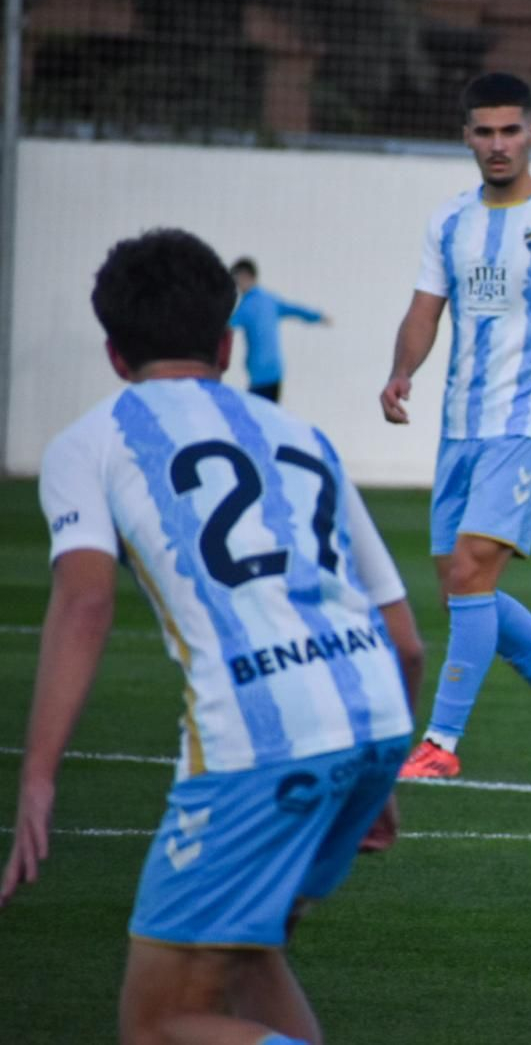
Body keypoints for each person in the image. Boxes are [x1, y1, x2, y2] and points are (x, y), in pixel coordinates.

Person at [1, 228, 426, 1045]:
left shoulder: (89, 443)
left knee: (159, 1025)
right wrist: (378, 777)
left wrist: (38, 776)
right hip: (373, 719)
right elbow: (405, 641)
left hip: (258, 745)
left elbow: (84, 604)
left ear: (115, 355)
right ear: (228, 347)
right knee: (247, 955)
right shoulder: (305, 437)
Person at [379, 71, 531, 781]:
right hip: (460, 425)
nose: (498, 144)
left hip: (527, 422)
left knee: (469, 571)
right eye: (484, 132)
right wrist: (401, 372)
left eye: (510, 130)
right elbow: (424, 309)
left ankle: (440, 744)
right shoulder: (449, 221)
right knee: (462, 590)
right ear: (466, 137)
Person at [229, 257, 331, 402]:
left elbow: (225, 326)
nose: (237, 285)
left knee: (260, 410)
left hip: (259, 374)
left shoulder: (248, 306)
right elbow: (296, 309)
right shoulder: (269, 299)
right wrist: (317, 317)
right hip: (275, 371)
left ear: (246, 276)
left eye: (237, 279)